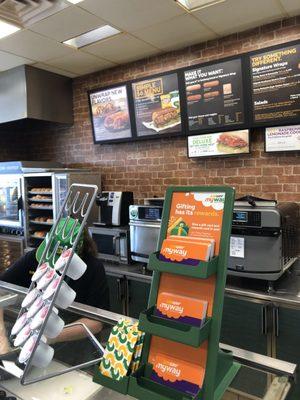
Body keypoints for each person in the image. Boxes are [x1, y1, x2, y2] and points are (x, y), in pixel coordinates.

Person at [0, 218, 110, 347]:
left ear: (79, 251)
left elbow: (96, 323)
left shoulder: (93, 268)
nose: (54, 264)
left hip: (76, 346)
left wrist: (50, 337)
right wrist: (1, 335)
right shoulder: (34, 259)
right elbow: (2, 289)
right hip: (34, 340)